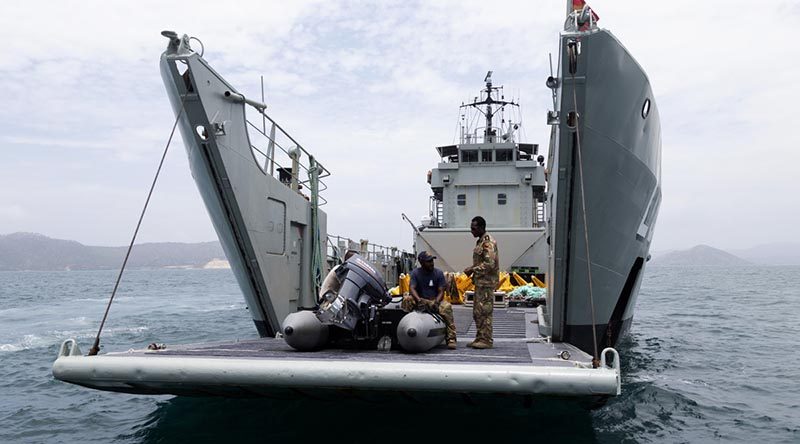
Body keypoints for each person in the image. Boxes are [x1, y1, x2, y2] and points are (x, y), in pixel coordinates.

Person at [401, 251, 458, 350]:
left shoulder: (438, 273)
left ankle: (451, 338)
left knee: (447, 307)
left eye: (432, 260)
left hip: (434, 300)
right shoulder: (415, 273)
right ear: (421, 262)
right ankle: (402, 331)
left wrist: (436, 302)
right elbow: (412, 288)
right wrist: (419, 300)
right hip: (420, 299)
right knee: (407, 299)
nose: (431, 263)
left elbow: (441, 291)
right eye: (428, 261)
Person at [463, 216, 499, 349]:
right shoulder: (480, 242)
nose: (471, 231)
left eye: (474, 228)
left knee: (485, 311)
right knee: (478, 312)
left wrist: (472, 269)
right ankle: (480, 337)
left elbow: (490, 263)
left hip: (486, 283)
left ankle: (486, 340)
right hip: (480, 283)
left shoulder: (488, 242)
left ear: (482, 228)